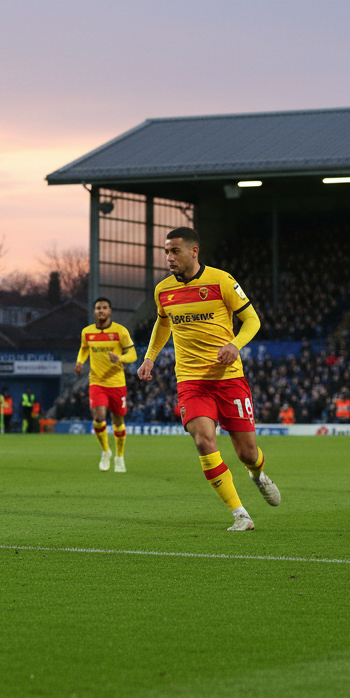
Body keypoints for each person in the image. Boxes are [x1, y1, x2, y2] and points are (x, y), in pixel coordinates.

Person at [137, 227, 280, 530]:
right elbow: (163, 325)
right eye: (166, 251)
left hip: (229, 378)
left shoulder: (222, 281)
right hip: (191, 380)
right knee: (203, 440)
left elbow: (252, 319)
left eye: (175, 251)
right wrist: (149, 357)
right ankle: (240, 514)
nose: (169, 257)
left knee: (247, 452)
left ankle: (258, 475)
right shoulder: (163, 290)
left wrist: (235, 345)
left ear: (193, 251)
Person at [77, 297, 136, 472]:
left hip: (117, 382)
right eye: (98, 308)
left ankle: (119, 457)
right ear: (94, 311)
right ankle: (105, 452)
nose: (101, 311)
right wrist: (80, 361)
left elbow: (132, 354)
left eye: (104, 308)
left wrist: (121, 358)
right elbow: (84, 348)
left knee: (118, 420)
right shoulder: (87, 332)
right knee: (98, 417)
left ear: (110, 311)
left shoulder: (120, 332)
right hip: (97, 381)